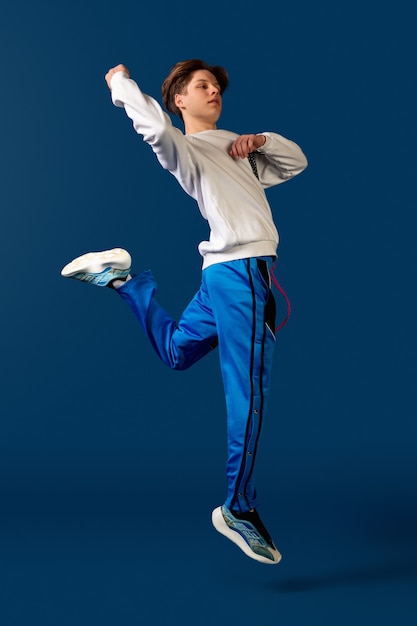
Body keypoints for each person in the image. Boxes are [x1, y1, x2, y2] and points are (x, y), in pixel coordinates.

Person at [61, 60, 307, 564]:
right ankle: (238, 507)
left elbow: (296, 162)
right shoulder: (186, 150)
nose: (213, 90)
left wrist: (260, 140)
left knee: (176, 352)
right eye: (202, 86)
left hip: (223, 275)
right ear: (180, 100)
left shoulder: (238, 146)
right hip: (240, 274)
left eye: (216, 86)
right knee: (249, 390)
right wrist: (119, 85)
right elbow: (154, 128)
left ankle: (122, 280)